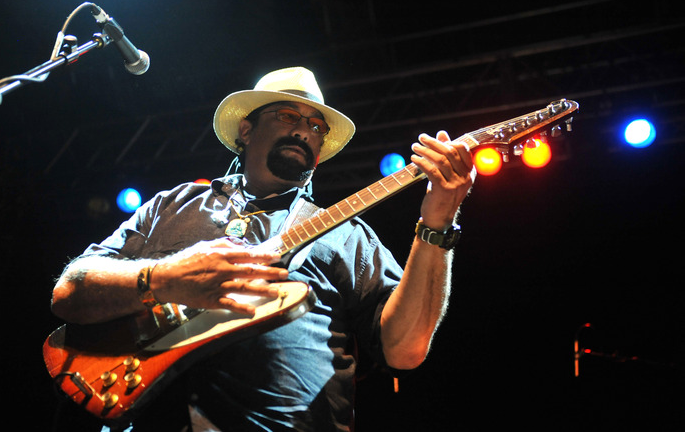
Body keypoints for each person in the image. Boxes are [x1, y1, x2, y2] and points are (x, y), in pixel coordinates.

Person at [50, 67, 475, 431]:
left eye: (316, 126)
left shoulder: (349, 234)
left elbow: (405, 350)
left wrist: (439, 222)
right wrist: (163, 279)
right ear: (246, 129)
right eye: (289, 114)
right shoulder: (173, 204)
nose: (305, 130)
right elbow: (69, 293)